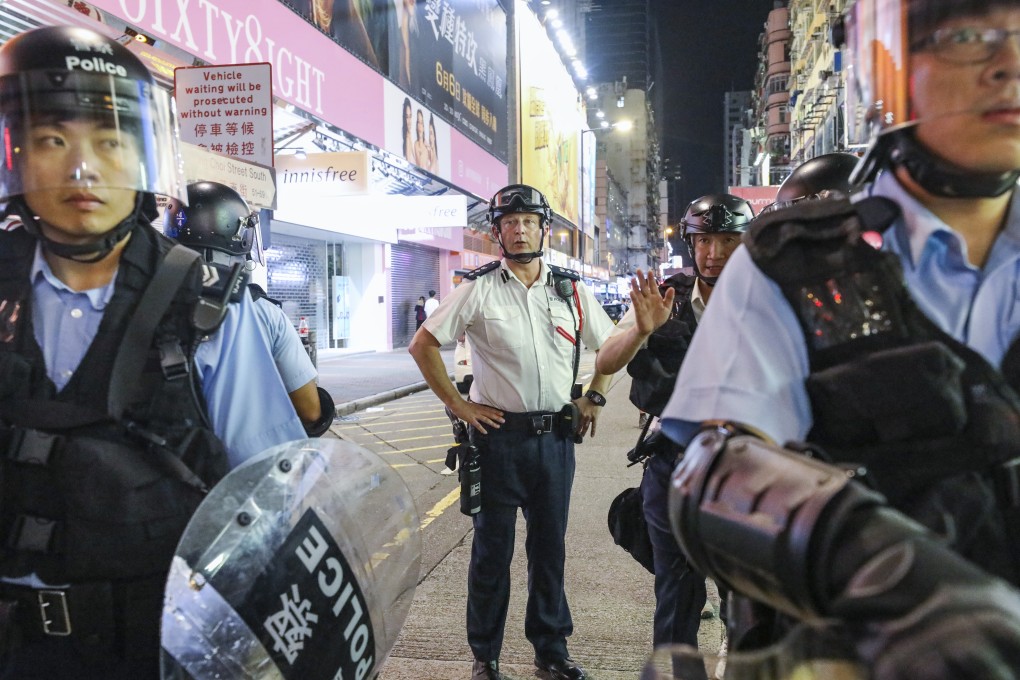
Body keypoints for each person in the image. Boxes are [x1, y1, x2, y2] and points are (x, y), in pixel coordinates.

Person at [659, 0, 1020, 676]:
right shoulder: (787, 265)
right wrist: (892, 579)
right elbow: (712, 472)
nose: (1008, 66)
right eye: (969, 37)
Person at [0, 26, 306, 679]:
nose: (84, 167)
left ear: (142, 156)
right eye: (54, 139)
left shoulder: (205, 307)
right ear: (17, 154)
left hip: (151, 641)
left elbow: (265, 485)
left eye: (110, 140)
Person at [408, 184, 615, 680]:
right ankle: (486, 655)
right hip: (497, 441)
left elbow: (609, 347)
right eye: (509, 222)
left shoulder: (572, 290)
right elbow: (423, 344)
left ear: (545, 229)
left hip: (555, 441)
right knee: (490, 553)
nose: (519, 229)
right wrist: (458, 404)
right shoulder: (476, 288)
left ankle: (551, 649)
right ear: (497, 231)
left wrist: (595, 394)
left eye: (528, 221)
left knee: (549, 550)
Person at [593, 195, 754, 654]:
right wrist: (641, 330)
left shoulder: (768, 296)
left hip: (746, 466)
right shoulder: (664, 297)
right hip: (673, 463)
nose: (714, 253)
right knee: (676, 590)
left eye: (728, 240)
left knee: (745, 594)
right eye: (705, 240)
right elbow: (606, 359)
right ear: (690, 242)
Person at [166, 181, 335, 437]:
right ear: (237, 235)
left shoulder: (145, 300)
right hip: (245, 467)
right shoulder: (264, 314)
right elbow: (310, 411)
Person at [402, 97, 414, 163]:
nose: (409, 121)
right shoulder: (407, 139)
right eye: (407, 117)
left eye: (410, 116)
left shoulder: (410, 136)